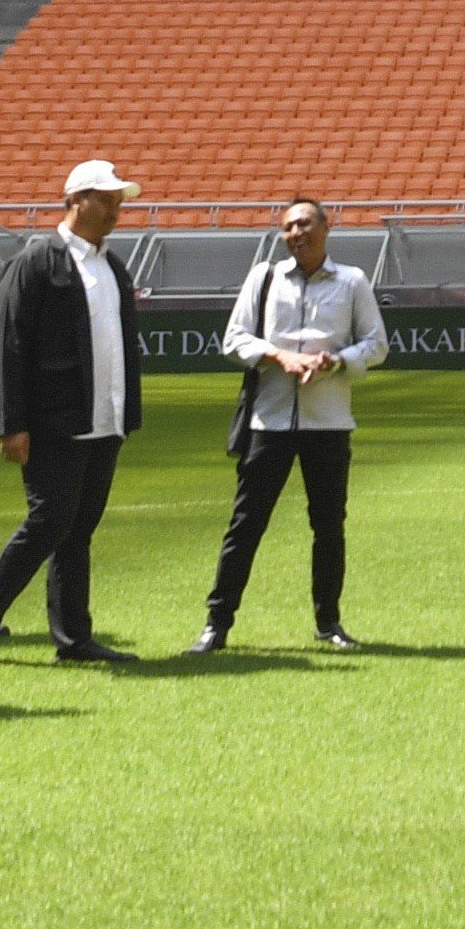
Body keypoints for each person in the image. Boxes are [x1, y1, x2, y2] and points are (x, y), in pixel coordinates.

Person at [0, 161, 144, 665]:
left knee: (78, 528)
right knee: (49, 521)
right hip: (53, 421)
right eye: (106, 199)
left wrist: (125, 414)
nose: (116, 209)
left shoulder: (112, 265)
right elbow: (9, 344)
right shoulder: (38, 259)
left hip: (103, 420)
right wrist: (11, 424)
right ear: (77, 199)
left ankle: (73, 638)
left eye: (118, 200)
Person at [193, 199, 385, 654]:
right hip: (270, 420)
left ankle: (329, 622)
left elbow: (376, 345)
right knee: (246, 524)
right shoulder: (264, 277)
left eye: (304, 223)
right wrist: (279, 355)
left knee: (328, 526)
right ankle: (216, 624)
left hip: (329, 422)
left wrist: (336, 361)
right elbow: (234, 338)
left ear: (326, 227)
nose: (295, 233)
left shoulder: (352, 281)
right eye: (287, 227)